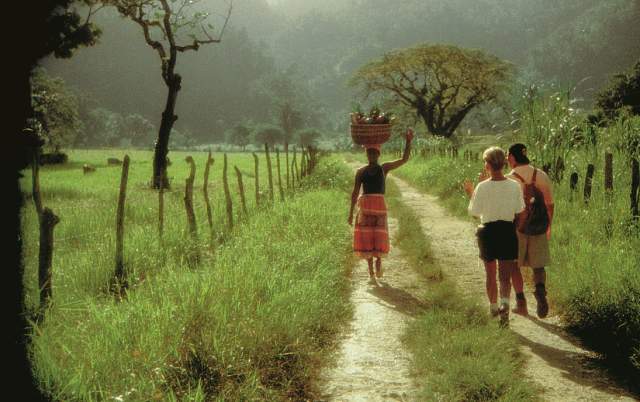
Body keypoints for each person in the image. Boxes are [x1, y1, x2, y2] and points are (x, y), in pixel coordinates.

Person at [463, 147, 525, 326]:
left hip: (488, 231)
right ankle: (505, 303)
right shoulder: (514, 185)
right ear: (503, 163)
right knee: (505, 275)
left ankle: (493, 307)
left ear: (488, 165)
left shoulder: (482, 187)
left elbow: (474, 212)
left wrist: (471, 194)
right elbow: (520, 211)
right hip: (507, 231)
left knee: (490, 274)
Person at [348, 128, 414, 280]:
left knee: (379, 236)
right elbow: (355, 193)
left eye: (374, 153)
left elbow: (403, 159)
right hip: (364, 208)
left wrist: (408, 142)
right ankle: (370, 269)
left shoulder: (384, 168)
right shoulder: (361, 171)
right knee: (366, 238)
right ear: (367, 155)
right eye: (369, 153)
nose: (371, 155)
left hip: (379, 207)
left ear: (378, 154)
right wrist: (351, 214)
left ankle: (378, 263)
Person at [506, 143, 554, 319]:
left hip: (517, 227)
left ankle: (521, 302)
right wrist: (549, 226)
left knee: (513, 264)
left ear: (512, 157)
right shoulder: (540, 175)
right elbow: (550, 204)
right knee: (538, 265)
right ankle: (540, 289)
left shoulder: (509, 178)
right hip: (538, 226)